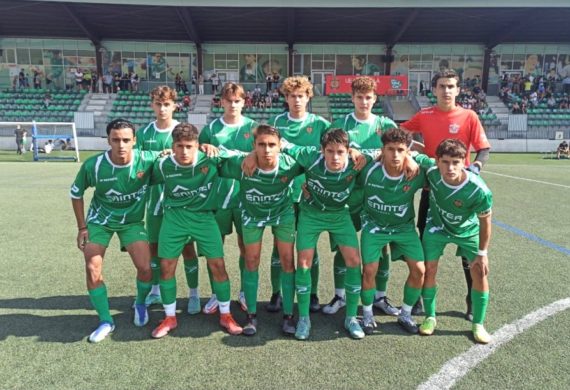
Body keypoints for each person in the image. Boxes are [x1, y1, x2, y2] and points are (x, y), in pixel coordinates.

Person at [401, 69, 491, 320]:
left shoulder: (469, 116)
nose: (446, 90)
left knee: (467, 247)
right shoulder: (425, 114)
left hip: (461, 193)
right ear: (434, 89)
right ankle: (419, 297)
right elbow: (402, 135)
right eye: (441, 86)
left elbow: (483, 149)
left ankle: (472, 299)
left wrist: (476, 167)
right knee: (425, 245)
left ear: (458, 89)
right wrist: (409, 153)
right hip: (432, 191)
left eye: (451, 86)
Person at [149, 123, 243, 338]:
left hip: (204, 218)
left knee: (218, 265)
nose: (184, 151)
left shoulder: (210, 159)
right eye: (179, 146)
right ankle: (170, 317)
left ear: (198, 146)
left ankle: (226, 314)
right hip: (174, 219)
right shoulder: (164, 165)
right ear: (172, 146)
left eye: (189, 146)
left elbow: (243, 158)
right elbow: (139, 172)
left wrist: (218, 149)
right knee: (166, 267)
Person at [70, 118, 158, 343]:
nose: (121, 145)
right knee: (92, 267)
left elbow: (177, 156)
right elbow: (76, 193)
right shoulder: (94, 165)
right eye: (116, 140)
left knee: (146, 268)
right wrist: (82, 227)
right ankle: (105, 320)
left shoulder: (147, 160)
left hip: (132, 222)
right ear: (108, 140)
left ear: (134, 141)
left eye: (126, 140)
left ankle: (140, 303)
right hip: (100, 221)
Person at [216, 125, 303, 336]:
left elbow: (316, 160)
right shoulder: (242, 164)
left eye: (272, 145)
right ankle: (252, 316)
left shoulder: (290, 165)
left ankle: (289, 315)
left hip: (282, 214)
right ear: (254, 146)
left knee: (288, 261)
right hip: (252, 216)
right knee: (251, 260)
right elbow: (214, 161)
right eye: (261, 145)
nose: (266, 150)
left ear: (280, 146)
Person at [326, 76, 400, 317]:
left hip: (378, 194)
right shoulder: (340, 124)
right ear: (352, 98)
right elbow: (328, 153)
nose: (364, 102)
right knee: (343, 247)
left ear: (375, 99)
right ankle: (339, 295)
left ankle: (380, 296)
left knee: (382, 247)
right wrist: (349, 150)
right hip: (347, 194)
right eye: (359, 97)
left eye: (368, 97)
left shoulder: (386, 124)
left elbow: (399, 150)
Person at [285, 129, 368, 340]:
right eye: (329, 151)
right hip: (311, 214)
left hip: (339, 215)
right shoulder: (310, 157)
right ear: (321, 150)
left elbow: (387, 153)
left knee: (354, 260)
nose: (335, 157)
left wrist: (412, 160)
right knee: (304, 263)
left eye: (340, 151)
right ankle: (304, 318)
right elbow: (281, 142)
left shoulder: (357, 161)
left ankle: (351, 317)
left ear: (348, 151)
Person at [415, 139, 493, 344]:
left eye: (456, 162)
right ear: (438, 161)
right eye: (446, 162)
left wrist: (483, 253)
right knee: (429, 269)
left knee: (479, 271)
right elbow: (410, 153)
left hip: (467, 231)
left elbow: (486, 223)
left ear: (464, 162)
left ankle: (478, 323)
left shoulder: (479, 190)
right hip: (437, 228)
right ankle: (430, 317)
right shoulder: (431, 173)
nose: (450, 168)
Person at [264, 76, 331, 313]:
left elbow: (328, 156)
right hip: (280, 192)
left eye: (301, 95)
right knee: (278, 247)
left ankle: (312, 294)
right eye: (292, 96)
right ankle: (276, 293)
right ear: (286, 98)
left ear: (308, 97)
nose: (297, 100)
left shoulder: (321, 124)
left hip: (310, 193)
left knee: (308, 246)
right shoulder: (276, 122)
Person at [135, 86, 199, 313]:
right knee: (153, 247)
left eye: (166, 104)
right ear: (152, 105)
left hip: (181, 199)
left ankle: (194, 294)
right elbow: (138, 165)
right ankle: (155, 290)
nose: (162, 109)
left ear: (174, 105)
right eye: (158, 104)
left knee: (187, 247)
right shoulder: (144, 134)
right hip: (155, 199)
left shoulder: (183, 131)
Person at [358, 128, 427, 335]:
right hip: (374, 225)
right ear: (383, 150)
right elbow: (348, 160)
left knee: (419, 270)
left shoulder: (417, 170)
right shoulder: (369, 169)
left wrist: (417, 157)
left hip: (403, 227)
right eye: (390, 149)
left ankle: (405, 314)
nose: (395, 155)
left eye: (400, 150)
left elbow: (440, 164)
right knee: (370, 269)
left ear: (407, 151)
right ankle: (368, 315)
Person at [198, 82, 258, 314]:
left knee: (246, 248)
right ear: (221, 102)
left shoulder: (253, 128)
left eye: (237, 101)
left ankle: (244, 291)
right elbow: (200, 155)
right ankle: (217, 292)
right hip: (218, 196)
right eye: (228, 100)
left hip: (247, 196)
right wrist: (203, 146)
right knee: (216, 247)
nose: (233, 105)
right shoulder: (211, 129)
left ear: (244, 102)